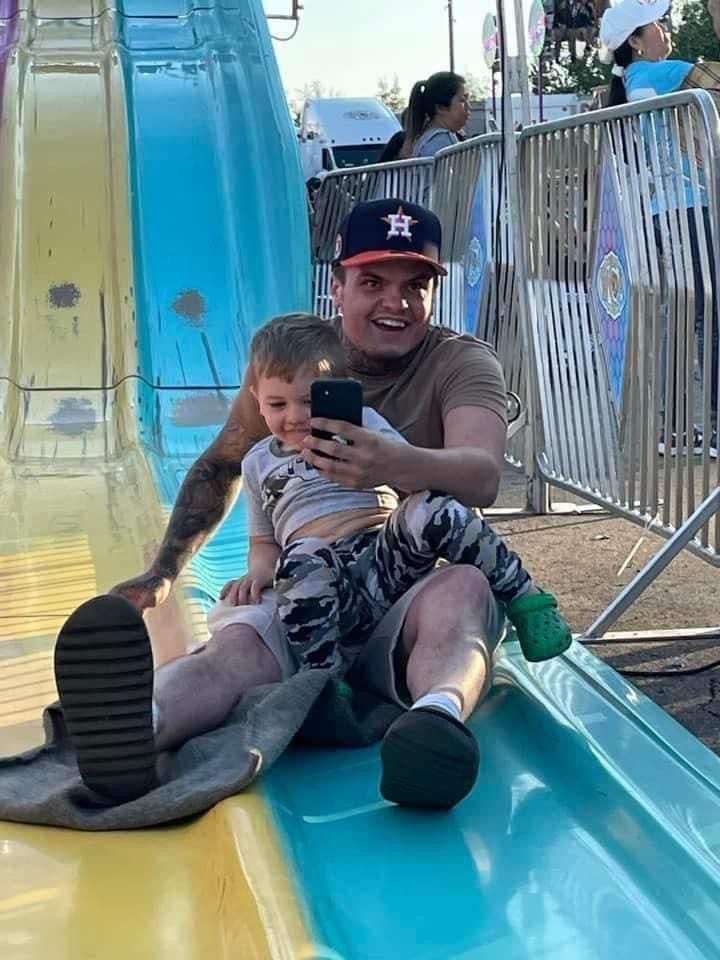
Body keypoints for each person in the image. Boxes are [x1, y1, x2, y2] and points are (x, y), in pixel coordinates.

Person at [56, 199, 569, 812]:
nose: (395, 303)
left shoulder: (461, 362)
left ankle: (434, 728)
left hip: (403, 587)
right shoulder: (290, 366)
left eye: (416, 285)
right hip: (310, 591)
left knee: (461, 591)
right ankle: (137, 729)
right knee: (236, 646)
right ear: (339, 285)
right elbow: (224, 463)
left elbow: (481, 476)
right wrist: (164, 571)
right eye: (373, 282)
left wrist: (390, 464)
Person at [219, 312, 570, 686]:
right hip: (325, 581)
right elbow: (263, 540)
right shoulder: (258, 463)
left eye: (309, 400)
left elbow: (411, 480)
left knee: (432, 507)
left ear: (340, 388)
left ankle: (525, 597)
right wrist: (260, 570)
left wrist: (378, 457)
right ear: (256, 399)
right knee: (299, 556)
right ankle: (323, 680)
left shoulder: (364, 424)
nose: (295, 417)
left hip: (385, 561)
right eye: (278, 405)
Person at [600, 0, 718, 457]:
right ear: (635, 40)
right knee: (706, 317)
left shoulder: (629, 82)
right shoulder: (664, 72)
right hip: (689, 207)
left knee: (679, 317)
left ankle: (675, 428)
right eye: (658, 25)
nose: (666, 31)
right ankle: (710, 425)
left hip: (658, 212)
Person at [400, 72, 469, 159]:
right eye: (462, 100)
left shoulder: (426, 138)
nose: (468, 106)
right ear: (441, 107)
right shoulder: (441, 140)